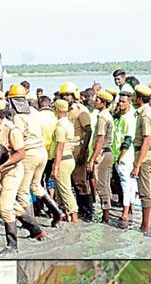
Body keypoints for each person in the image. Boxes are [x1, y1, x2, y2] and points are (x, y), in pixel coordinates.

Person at [0, 98, 46, 254]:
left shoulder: (12, 130)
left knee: (5, 208)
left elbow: (20, 154)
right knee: (13, 205)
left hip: (12, 171)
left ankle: (12, 245)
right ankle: (36, 230)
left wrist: (1, 167)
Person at [9, 85, 64, 228]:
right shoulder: (33, 111)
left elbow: (18, 137)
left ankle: (30, 224)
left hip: (30, 154)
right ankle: (57, 212)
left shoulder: (17, 117)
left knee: (23, 190)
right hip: (42, 152)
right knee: (36, 185)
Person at [59, 83, 93, 220]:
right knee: (69, 183)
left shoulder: (80, 110)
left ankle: (87, 211)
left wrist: (83, 152)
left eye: (68, 95)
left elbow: (89, 131)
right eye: (64, 95)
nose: (66, 97)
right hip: (68, 150)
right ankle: (75, 210)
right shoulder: (63, 110)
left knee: (81, 183)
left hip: (78, 149)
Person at [132, 84, 151, 235]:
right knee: (143, 189)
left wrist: (137, 164)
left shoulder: (146, 115)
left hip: (144, 154)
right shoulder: (142, 112)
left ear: (140, 98)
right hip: (142, 153)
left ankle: (146, 225)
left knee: (145, 190)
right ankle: (144, 224)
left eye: (135, 96)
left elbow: (146, 141)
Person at [87, 90, 115, 224]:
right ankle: (106, 213)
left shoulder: (103, 117)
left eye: (97, 99)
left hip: (102, 153)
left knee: (101, 185)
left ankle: (106, 216)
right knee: (106, 184)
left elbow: (100, 139)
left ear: (103, 103)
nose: (95, 101)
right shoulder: (105, 115)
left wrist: (92, 159)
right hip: (107, 152)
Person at [50, 99, 79, 222]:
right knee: (60, 190)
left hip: (62, 161)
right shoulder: (69, 123)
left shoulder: (61, 127)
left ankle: (74, 216)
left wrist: (55, 167)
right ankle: (66, 215)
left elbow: (60, 147)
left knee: (65, 190)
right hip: (69, 159)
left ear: (57, 110)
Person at [112, 93, 137, 225]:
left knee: (125, 184)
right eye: (119, 102)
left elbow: (128, 139)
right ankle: (131, 208)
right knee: (131, 183)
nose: (120, 104)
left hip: (124, 156)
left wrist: (120, 157)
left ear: (129, 103)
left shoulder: (128, 118)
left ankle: (125, 212)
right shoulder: (120, 117)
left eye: (123, 102)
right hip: (119, 154)